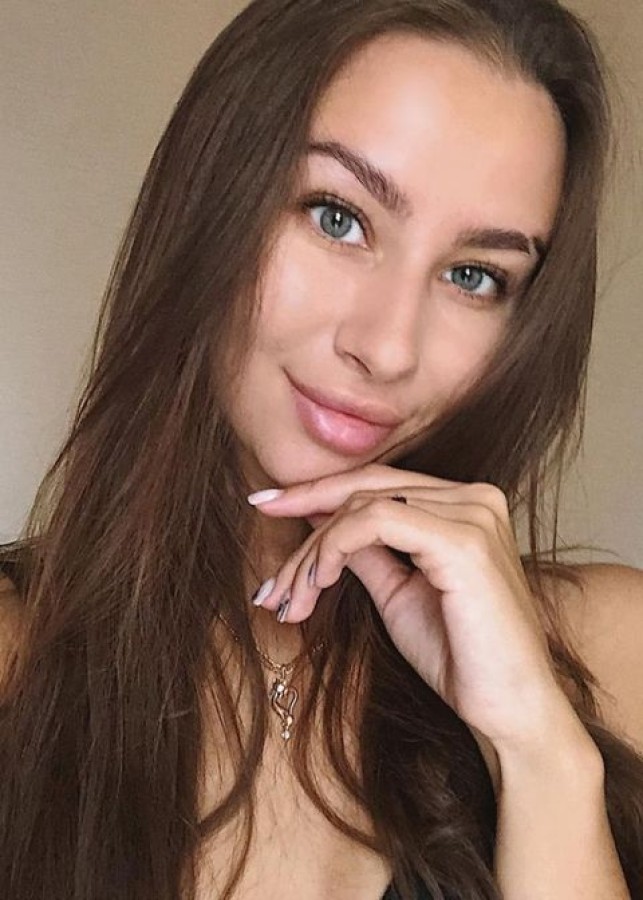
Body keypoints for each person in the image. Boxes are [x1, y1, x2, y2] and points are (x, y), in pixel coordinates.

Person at [1, 0, 642, 897]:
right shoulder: (17, 655)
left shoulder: (611, 655)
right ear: (212, 202)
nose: (387, 347)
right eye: (337, 217)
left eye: (473, 276)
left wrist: (539, 753)